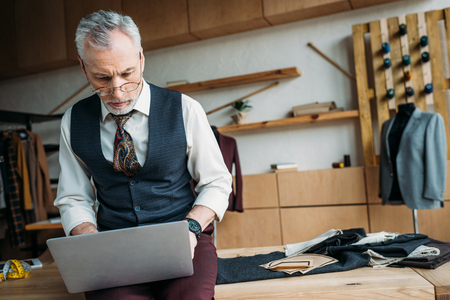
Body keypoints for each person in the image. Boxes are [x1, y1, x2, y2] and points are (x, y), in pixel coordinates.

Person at [54, 10, 232, 300]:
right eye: (101, 78)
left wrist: (190, 228)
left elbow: (217, 182)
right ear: (84, 69)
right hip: (112, 245)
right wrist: (90, 242)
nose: (117, 90)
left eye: (127, 74)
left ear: (141, 59)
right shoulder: (72, 121)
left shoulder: (185, 109)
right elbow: (73, 197)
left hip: (184, 236)